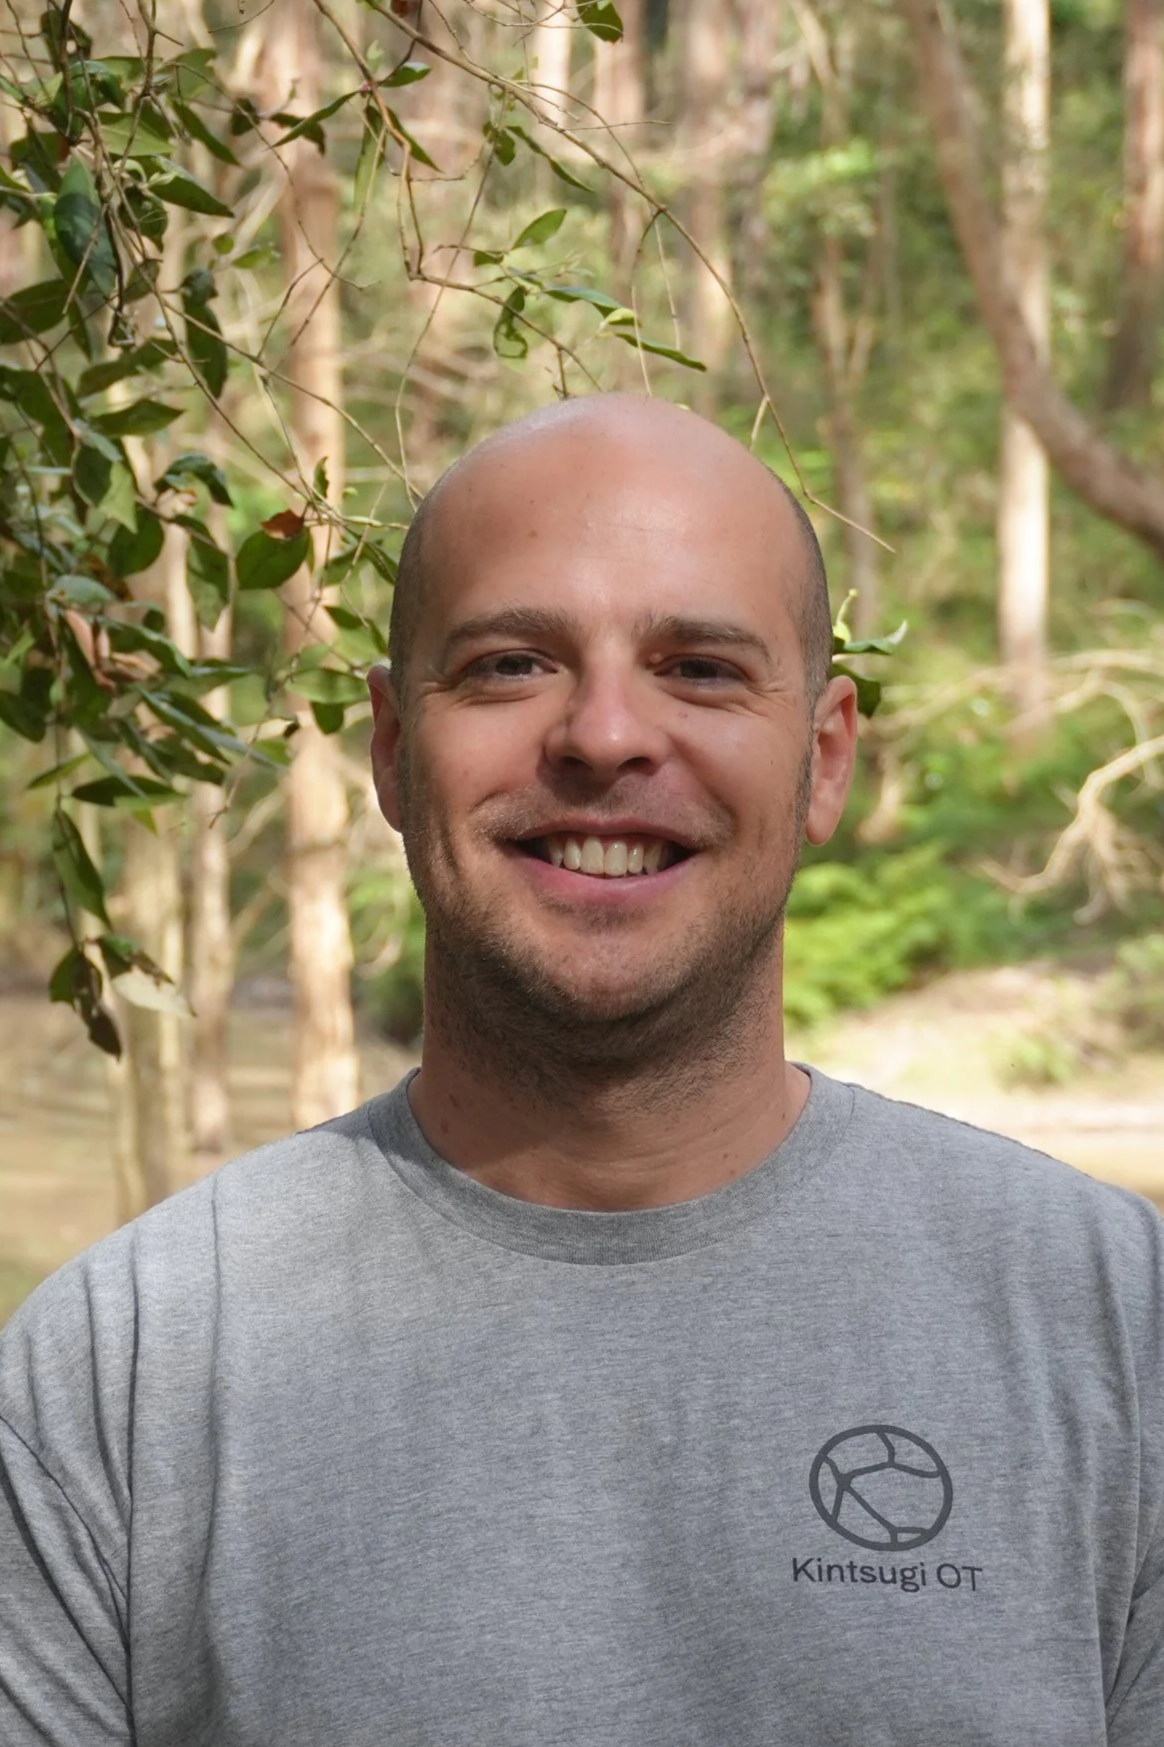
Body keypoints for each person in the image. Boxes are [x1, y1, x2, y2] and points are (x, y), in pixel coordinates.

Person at [1, 394, 1161, 1747]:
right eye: (508, 665)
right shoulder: (124, 1370)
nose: (604, 734)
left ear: (825, 757)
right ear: (388, 745)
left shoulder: (1111, 1326)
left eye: (703, 669)